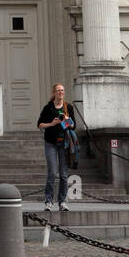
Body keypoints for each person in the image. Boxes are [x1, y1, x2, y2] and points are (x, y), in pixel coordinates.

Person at [37, 82, 76, 211]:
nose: (61, 93)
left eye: (62, 90)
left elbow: (73, 125)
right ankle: (48, 201)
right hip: (51, 143)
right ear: (54, 93)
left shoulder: (68, 107)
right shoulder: (48, 108)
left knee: (64, 174)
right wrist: (52, 123)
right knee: (52, 172)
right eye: (58, 90)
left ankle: (62, 201)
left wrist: (67, 120)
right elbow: (40, 124)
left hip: (64, 143)